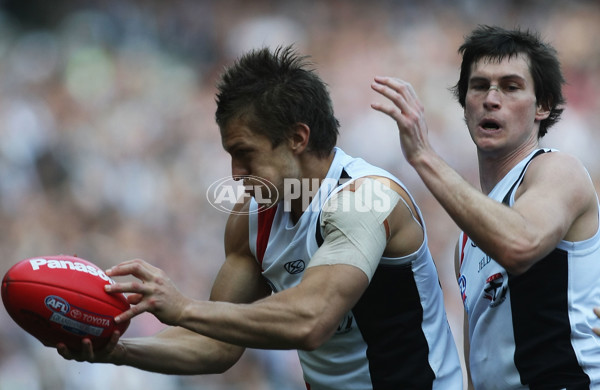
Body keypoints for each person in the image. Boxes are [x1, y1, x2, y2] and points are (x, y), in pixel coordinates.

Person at [57, 45, 463, 389]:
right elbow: (216, 345)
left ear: (297, 138)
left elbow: (312, 319)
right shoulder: (250, 221)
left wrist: (183, 308)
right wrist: (118, 351)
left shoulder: (367, 198)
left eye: (245, 153)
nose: (234, 173)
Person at [371, 25, 600, 389]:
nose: (491, 98)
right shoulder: (467, 239)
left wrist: (423, 156)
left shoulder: (557, 169)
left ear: (542, 106)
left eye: (511, 87)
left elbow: (520, 245)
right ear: (465, 104)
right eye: (479, 86)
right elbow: (478, 368)